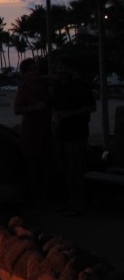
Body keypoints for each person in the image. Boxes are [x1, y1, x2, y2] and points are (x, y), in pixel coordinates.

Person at [51, 55, 96, 214]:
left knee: (76, 169)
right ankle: (70, 200)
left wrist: (68, 114)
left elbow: (91, 107)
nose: (61, 71)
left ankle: (79, 202)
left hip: (77, 133)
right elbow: (55, 107)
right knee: (65, 168)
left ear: (70, 69)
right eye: (59, 67)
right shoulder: (57, 86)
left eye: (64, 67)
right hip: (61, 133)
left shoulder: (81, 86)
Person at [13, 57, 53, 205]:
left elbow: (55, 78)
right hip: (30, 131)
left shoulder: (43, 83)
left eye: (36, 69)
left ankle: (44, 195)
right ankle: (34, 197)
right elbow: (16, 110)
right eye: (30, 70)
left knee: (45, 164)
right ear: (24, 73)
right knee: (32, 166)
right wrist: (33, 108)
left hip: (46, 129)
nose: (34, 72)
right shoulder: (23, 88)